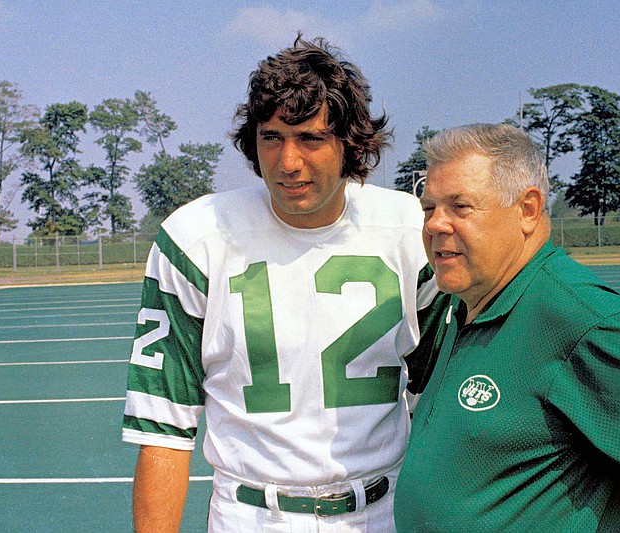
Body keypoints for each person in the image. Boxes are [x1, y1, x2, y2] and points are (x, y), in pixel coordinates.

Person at [122, 35, 444, 532]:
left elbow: (439, 410)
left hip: (384, 512)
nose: (288, 162)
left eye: (311, 139)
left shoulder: (411, 231)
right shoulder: (194, 238)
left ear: (351, 144)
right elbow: (164, 430)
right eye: (271, 137)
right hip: (250, 515)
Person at [394, 123, 620, 532]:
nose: (435, 224)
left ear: (527, 209)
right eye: (429, 208)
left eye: (460, 206)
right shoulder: (465, 304)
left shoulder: (580, 319)